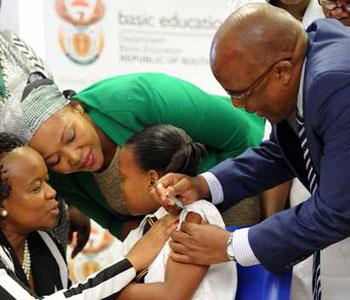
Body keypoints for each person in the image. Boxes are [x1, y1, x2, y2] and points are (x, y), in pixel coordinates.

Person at [153, 4, 350, 299]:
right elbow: (282, 153)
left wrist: (230, 245)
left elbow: (336, 211)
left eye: (241, 94)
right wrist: (203, 185)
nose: (239, 107)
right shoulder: (306, 54)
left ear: (282, 71)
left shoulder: (336, 84)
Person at [0, 72, 265, 239]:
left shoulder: (136, 98)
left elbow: (240, 137)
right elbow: (116, 223)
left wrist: (255, 226)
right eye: (54, 160)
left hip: (259, 181)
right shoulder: (61, 179)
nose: (74, 157)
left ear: (76, 108)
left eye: (70, 137)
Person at [0, 132, 178, 299]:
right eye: (36, 188)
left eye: (47, 181)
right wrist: (131, 262)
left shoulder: (43, 241)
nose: (52, 192)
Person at [116, 124, 236, 299]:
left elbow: (173, 294)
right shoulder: (144, 229)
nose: (120, 187)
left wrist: (109, 291)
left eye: (123, 178)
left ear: (152, 180)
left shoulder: (196, 216)